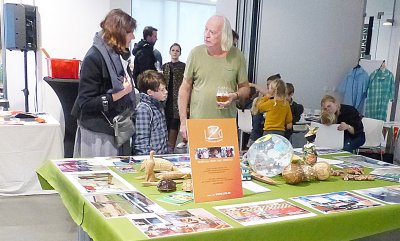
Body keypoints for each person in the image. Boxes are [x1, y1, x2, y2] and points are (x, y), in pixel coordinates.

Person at [71, 9, 136, 158]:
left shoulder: (117, 55)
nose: (133, 36)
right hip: (97, 133)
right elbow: (85, 102)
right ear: (118, 32)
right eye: (129, 32)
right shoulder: (94, 57)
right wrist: (122, 93)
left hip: (113, 128)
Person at [178, 15, 250, 140]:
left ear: (224, 35)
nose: (206, 35)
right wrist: (183, 122)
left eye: (212, 32)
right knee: (198, 159)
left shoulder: (237, 56)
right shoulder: (195, 54)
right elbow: (184, 89)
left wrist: (235, 96)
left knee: (225, 160)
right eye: (205, 29)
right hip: (198, 124)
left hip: (225, 125)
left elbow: (245, 88)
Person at [134, 70, 169, 155]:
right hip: (150, 159)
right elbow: (141, 141)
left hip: (160, 156)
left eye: (165, 88)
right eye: (162, 90)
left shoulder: (158, 106)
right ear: (150, 92)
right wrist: (146, 160)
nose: (166, 92)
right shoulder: (143, 109)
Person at [162, 43, 186, 152]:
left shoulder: (183, 66)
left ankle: (171, 146)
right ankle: (164, 145)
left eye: (177, 50)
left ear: (180, 53)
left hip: (178, 98)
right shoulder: (165, 66)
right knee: (166, 121)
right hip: (167, 98)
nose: (175, 52)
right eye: (173, 50)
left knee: (175, 122)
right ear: (170, 52)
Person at [247, 74, 281, 147]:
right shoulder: (269, 100)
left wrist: (255, 86)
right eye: (267, 86)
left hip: (271, 129)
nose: (268, 88)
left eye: (270, 87)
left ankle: (254, 142)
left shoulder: (278, 100)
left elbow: (261, 106)